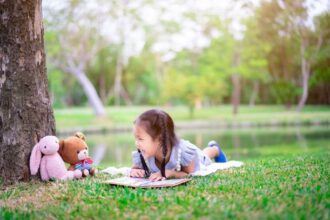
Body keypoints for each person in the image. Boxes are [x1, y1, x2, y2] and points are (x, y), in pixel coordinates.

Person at [130, 109, 227, 181]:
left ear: (160, 138)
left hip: (195, 160)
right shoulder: (143, 152)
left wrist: (171, 173)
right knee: (203, 154)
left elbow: (189, 174)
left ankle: (215, 149)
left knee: (204, 157)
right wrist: (135, 171)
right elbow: (135, 168)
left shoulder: (182, 151)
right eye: (136, 138)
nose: (137, 143)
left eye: (140, 139)